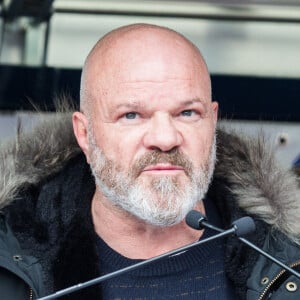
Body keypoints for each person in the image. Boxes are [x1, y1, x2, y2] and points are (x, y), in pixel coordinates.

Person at [0, 23, 299, 300]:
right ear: (84, 133)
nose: (165, 138)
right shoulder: (10, 259)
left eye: (187, 113)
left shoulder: (284, 257)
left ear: (212, 121)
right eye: (131, 115)